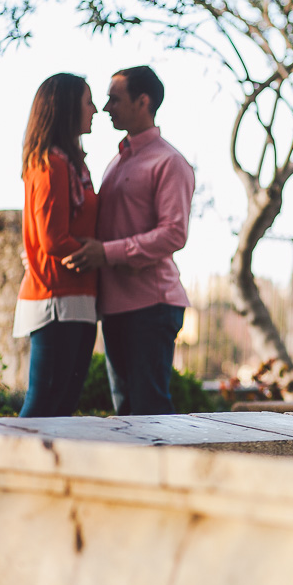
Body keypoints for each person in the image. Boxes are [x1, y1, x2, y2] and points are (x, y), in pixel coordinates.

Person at [62, 66, 195, 415]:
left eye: (114, 99)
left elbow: (174, 234)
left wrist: (105, 254)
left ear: (143, 101)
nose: (106, 108)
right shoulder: (115, 162)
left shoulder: (170, 162)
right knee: (126, 415)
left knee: (149, 414)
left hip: (151, 306)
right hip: (116, 307)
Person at [13, 73, 100, 417]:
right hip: (56, 300)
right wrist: (102, 254)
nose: (94, 110)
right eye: (88, 102)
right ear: (67, 109)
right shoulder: (52, 163)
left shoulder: (72, 164)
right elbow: (51, 238)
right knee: (43, 408)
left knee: (60, 409)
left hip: (76, 299)